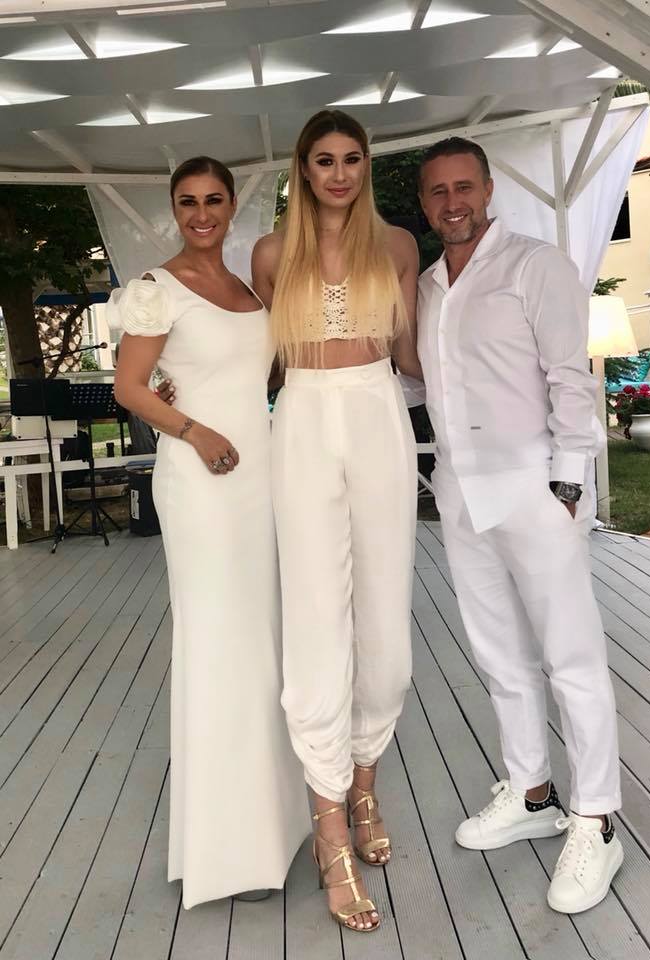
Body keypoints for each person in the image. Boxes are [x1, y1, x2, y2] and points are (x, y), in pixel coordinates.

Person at [416, 137, 623, 915]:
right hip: (462, 496)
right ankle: (534, 793)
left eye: (463, 186)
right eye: (438, 191)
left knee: (571, 658)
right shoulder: (428, 286)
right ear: (425, 202)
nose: (453, 203)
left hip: (535, 489)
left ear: (488, 189)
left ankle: (597, 821)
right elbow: (424, 380)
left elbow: (571, 377)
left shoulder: (535, 265)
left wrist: (567, 483)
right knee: (499, 655)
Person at [112, 156, 310, 910]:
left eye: (214, 200)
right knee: (220, 645)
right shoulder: (155, 290)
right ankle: (229, 853)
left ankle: (276, 826)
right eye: (188, 202)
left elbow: (257, 372)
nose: (201, 214)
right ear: (174, 210)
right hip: (202, 482)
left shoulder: (248, 290)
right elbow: (131, 387)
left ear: (231, 209)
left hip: (259, 480)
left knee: (261, 642)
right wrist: (194, 430)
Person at [252, 110, 421, 933]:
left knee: (385, 630)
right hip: (303, 422)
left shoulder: (397, 247)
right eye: (325, 160)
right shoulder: (270, 255)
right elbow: (256, 360)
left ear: (366, 165)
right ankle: (329, 832)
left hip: (379, 414)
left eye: (353, 158)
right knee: (316, 621)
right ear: (304, 168)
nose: (340, 173)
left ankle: (364, 786)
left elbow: (417, 355)